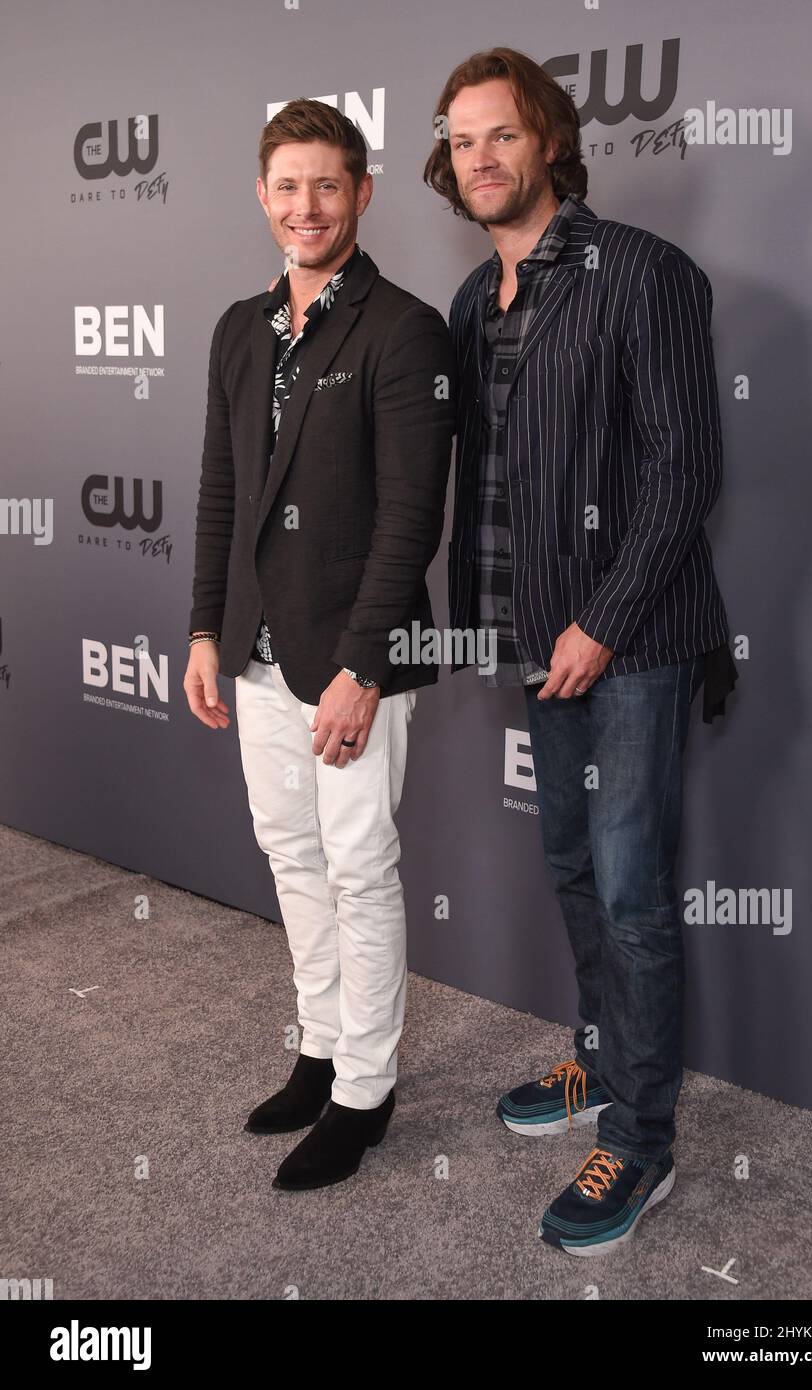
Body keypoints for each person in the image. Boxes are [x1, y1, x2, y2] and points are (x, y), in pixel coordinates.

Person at [425, 47, 737, 1255]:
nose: (481, 159)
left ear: (550, 142)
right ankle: (602, 1066)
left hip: (630, 636)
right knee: (569, 862)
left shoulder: (640, 273)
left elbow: (682, 468)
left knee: (627, 886)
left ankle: (644, 1141)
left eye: (501, 135)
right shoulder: (471, 303)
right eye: (460, 141)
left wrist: (601, 621)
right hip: (531, 638)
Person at [185, 98, 455, 1191]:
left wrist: (362, 665)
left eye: (327, 185)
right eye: (287, 186)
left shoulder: (404, 328)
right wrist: (204, 626)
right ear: (262, 195)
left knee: (358, 868)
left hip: (353, 659)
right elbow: (220, 492)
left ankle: (365, 1091)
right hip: (253, 649)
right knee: (292, 858)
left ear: (362, 192)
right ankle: (320, 1047)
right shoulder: (240, 329)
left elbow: (408, 521)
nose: (306, 206)